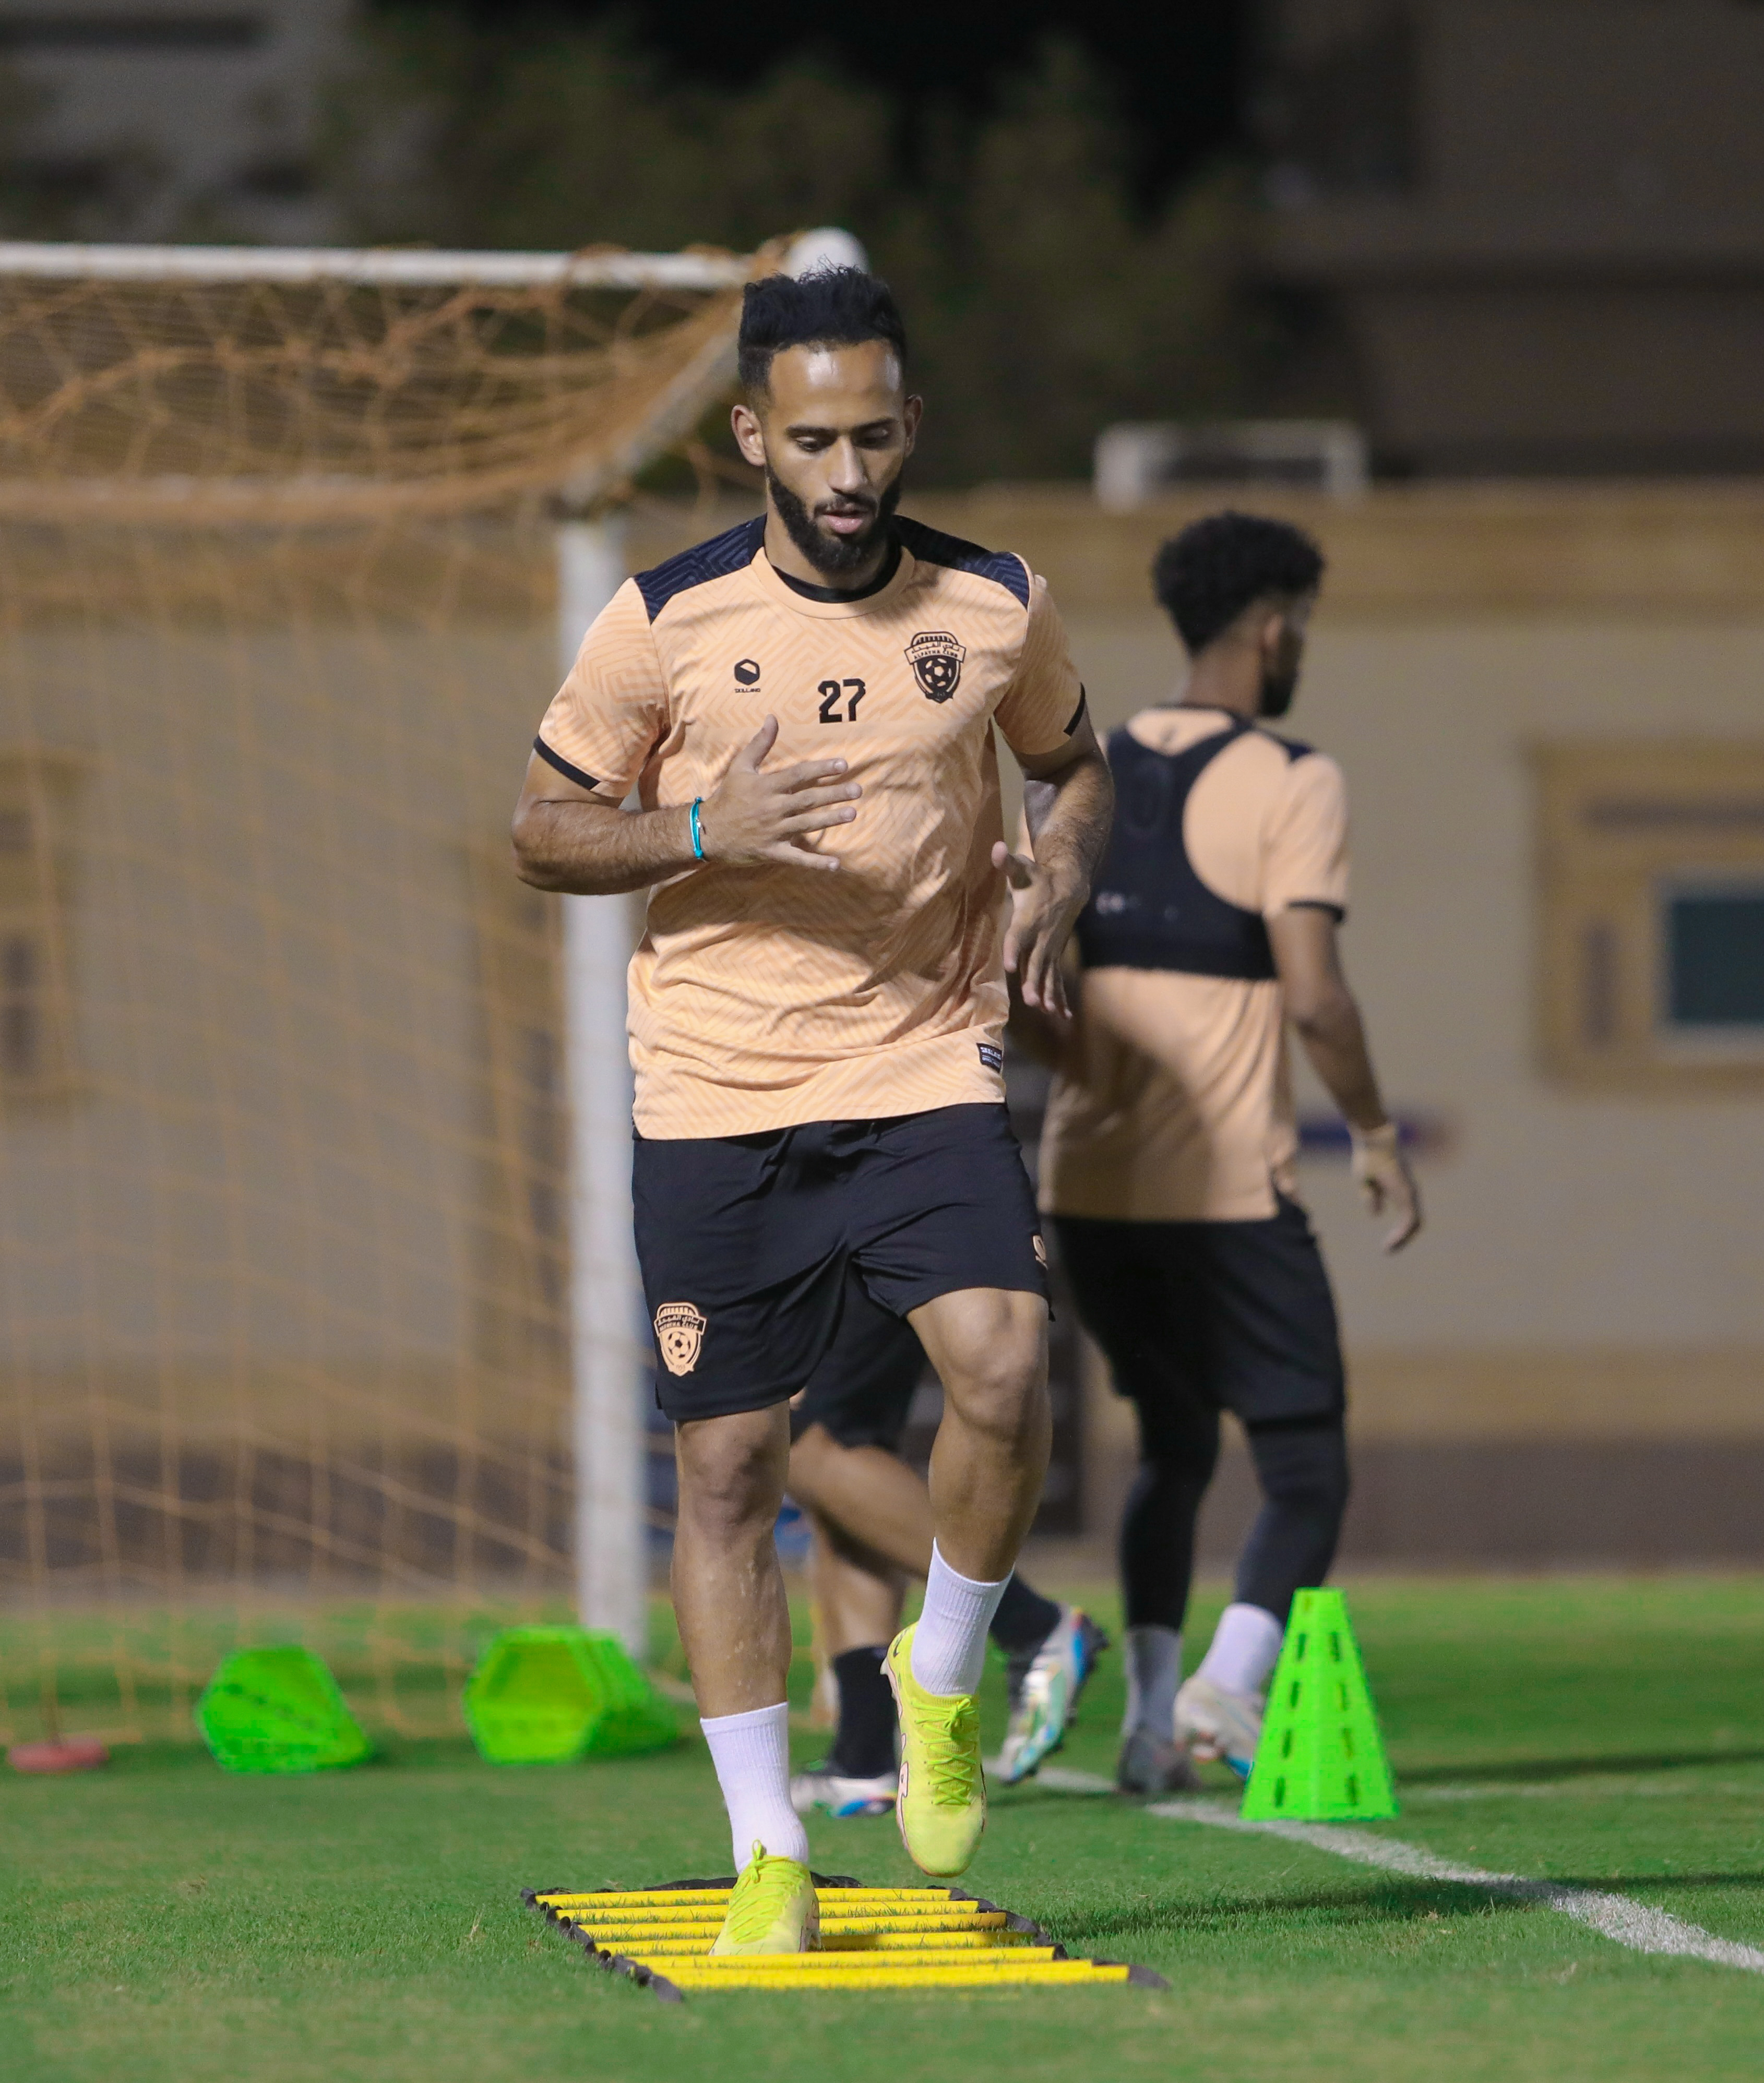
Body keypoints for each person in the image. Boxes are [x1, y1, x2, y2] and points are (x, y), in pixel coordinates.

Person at [510, 266, 1112, 1954]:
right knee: (727, 1471)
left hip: (920, 1062)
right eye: (816, 441)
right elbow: (543, 834)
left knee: (1001, 1365)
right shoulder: (663, 622)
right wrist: (703, 827)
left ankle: (940, 1671)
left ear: (909, 427)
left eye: (876, 437)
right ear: (752, 436)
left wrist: (1061, 868)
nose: (849, 475)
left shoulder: (995, 605)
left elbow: (1079, 766)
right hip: (714, 1096)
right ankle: (769, 1845)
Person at [1027, 511, 1421, 1795]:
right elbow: (1312, 996)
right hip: (1224, 1190)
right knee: (1304, 1462)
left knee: (1173, 1446)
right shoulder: (1292, 779)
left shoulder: (1082, 772)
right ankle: (1222, 1686)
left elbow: (1038, 994)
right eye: (1298, 621)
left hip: (1085, 1188)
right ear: (1270, 624)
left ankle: (1147, 1729)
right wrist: (1370, 1130)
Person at [784, 1270, 1107, 1819]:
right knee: (845, 1465)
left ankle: (1031, 1624)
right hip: (855, 1212)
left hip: (866, 1208)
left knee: (815, 1446)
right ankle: (862, 1758)